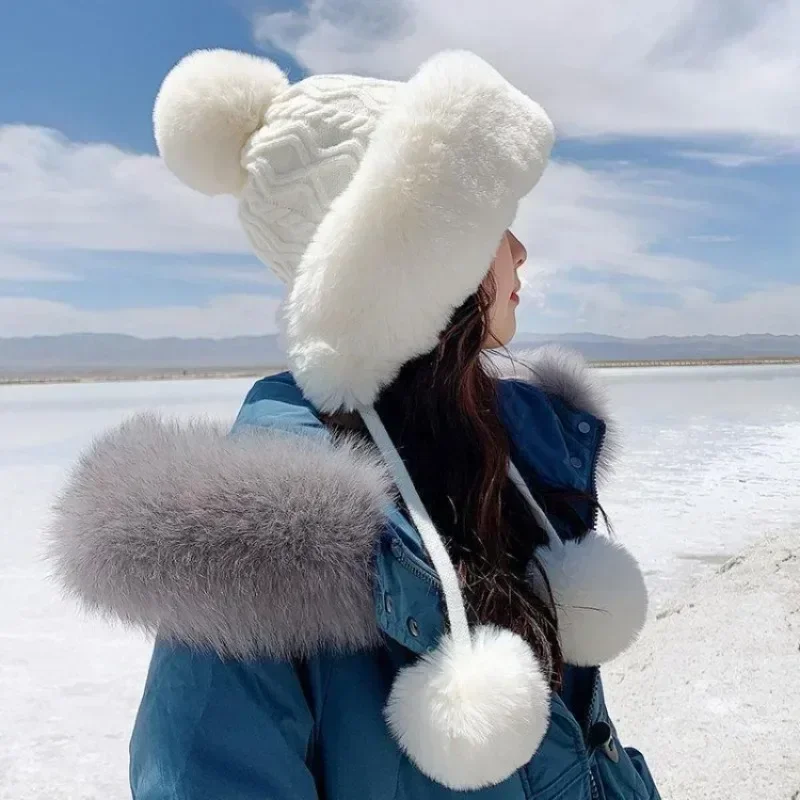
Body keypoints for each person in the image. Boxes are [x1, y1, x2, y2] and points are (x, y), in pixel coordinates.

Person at [49, 48, 661, 799]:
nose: (521, 250)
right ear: (420, 262)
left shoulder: (513, 454)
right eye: (497, 223)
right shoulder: (258, 558)